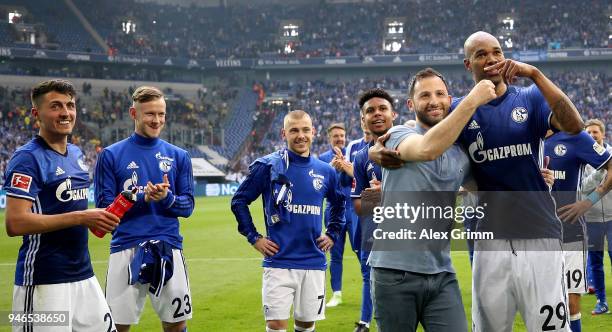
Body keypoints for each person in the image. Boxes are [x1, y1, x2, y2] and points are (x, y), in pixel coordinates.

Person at [457, 31, 583, 331]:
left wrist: (536, 74)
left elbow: (574, 124)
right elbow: (427, 139)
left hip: (539, 234)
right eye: (481, 54)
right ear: (467, 64)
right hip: (489, 241)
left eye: (497, 52)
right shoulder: (460, 110)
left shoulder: (530, 97)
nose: (492, 59)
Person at [366, 69, 496, 331]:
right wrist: (472, 100)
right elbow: (426, 149)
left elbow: (487, 190)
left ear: (449, 99)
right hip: (394, 272)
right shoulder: (400, 134)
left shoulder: (461, 153)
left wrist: (536, 179)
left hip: (441, 273)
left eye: (439, 94)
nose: (434, 100)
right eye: (424, 95)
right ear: (411, 104)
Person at [4, 79, 119, 331]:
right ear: (37, 114)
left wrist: (97, 220)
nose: (66, 112)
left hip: (84, 277)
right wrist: (81, 217)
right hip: (43, 282)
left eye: (70, 105)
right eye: (56, 106)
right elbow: (15, 223)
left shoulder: (77, 154)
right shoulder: (26, 159)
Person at [231, 110, 346, 332]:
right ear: (284, 134)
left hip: (313, 262)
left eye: (305, 130)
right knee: (275, 325)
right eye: (294, 130)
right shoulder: (268, 166)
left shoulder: (326, 171)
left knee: (306, 326)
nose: (300, 135)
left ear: (313, 132)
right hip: (278, 262)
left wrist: (332, 233)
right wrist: (254, 237)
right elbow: (239, 201)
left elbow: (339, 203)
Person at [94, 86, 195, 332]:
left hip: (169, 247)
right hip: (126, 247)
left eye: (161, 114)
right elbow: (104, 210)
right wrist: (142, 197)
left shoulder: (179, 156)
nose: (157, 120)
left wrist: (166, 197)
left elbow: (188, 206)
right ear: (133, 113)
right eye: (150, 114)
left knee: (176, 324)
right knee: (118, 326)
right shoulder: (110, 155)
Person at [544, 127, 612, 332]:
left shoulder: (574, 137)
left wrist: (587, 202)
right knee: (545, 301)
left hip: (571, 232)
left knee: (571, 300)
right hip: (537, 234)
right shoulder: (527, 137)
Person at [317, 122, 354, 307]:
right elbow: (320, 188)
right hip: (333, 213)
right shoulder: (322, 159)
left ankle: (372, 290)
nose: (340, 139)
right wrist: (332, 169)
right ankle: (337, 294)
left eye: (342, 135)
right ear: (329, 138)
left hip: (354, 210)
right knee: (336, 255)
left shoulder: (354, 153)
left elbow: (358, 179)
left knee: (363, 253)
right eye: (336, 136)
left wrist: (346, 166)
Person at [581, 119, 612, 315]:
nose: (592, 136)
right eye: (588, 133)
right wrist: (600, 173)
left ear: (603, 135)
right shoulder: (581, 160)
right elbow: (583, 187)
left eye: (595, 132)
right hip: (591, 220)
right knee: (595, 263)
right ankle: (601, 301)